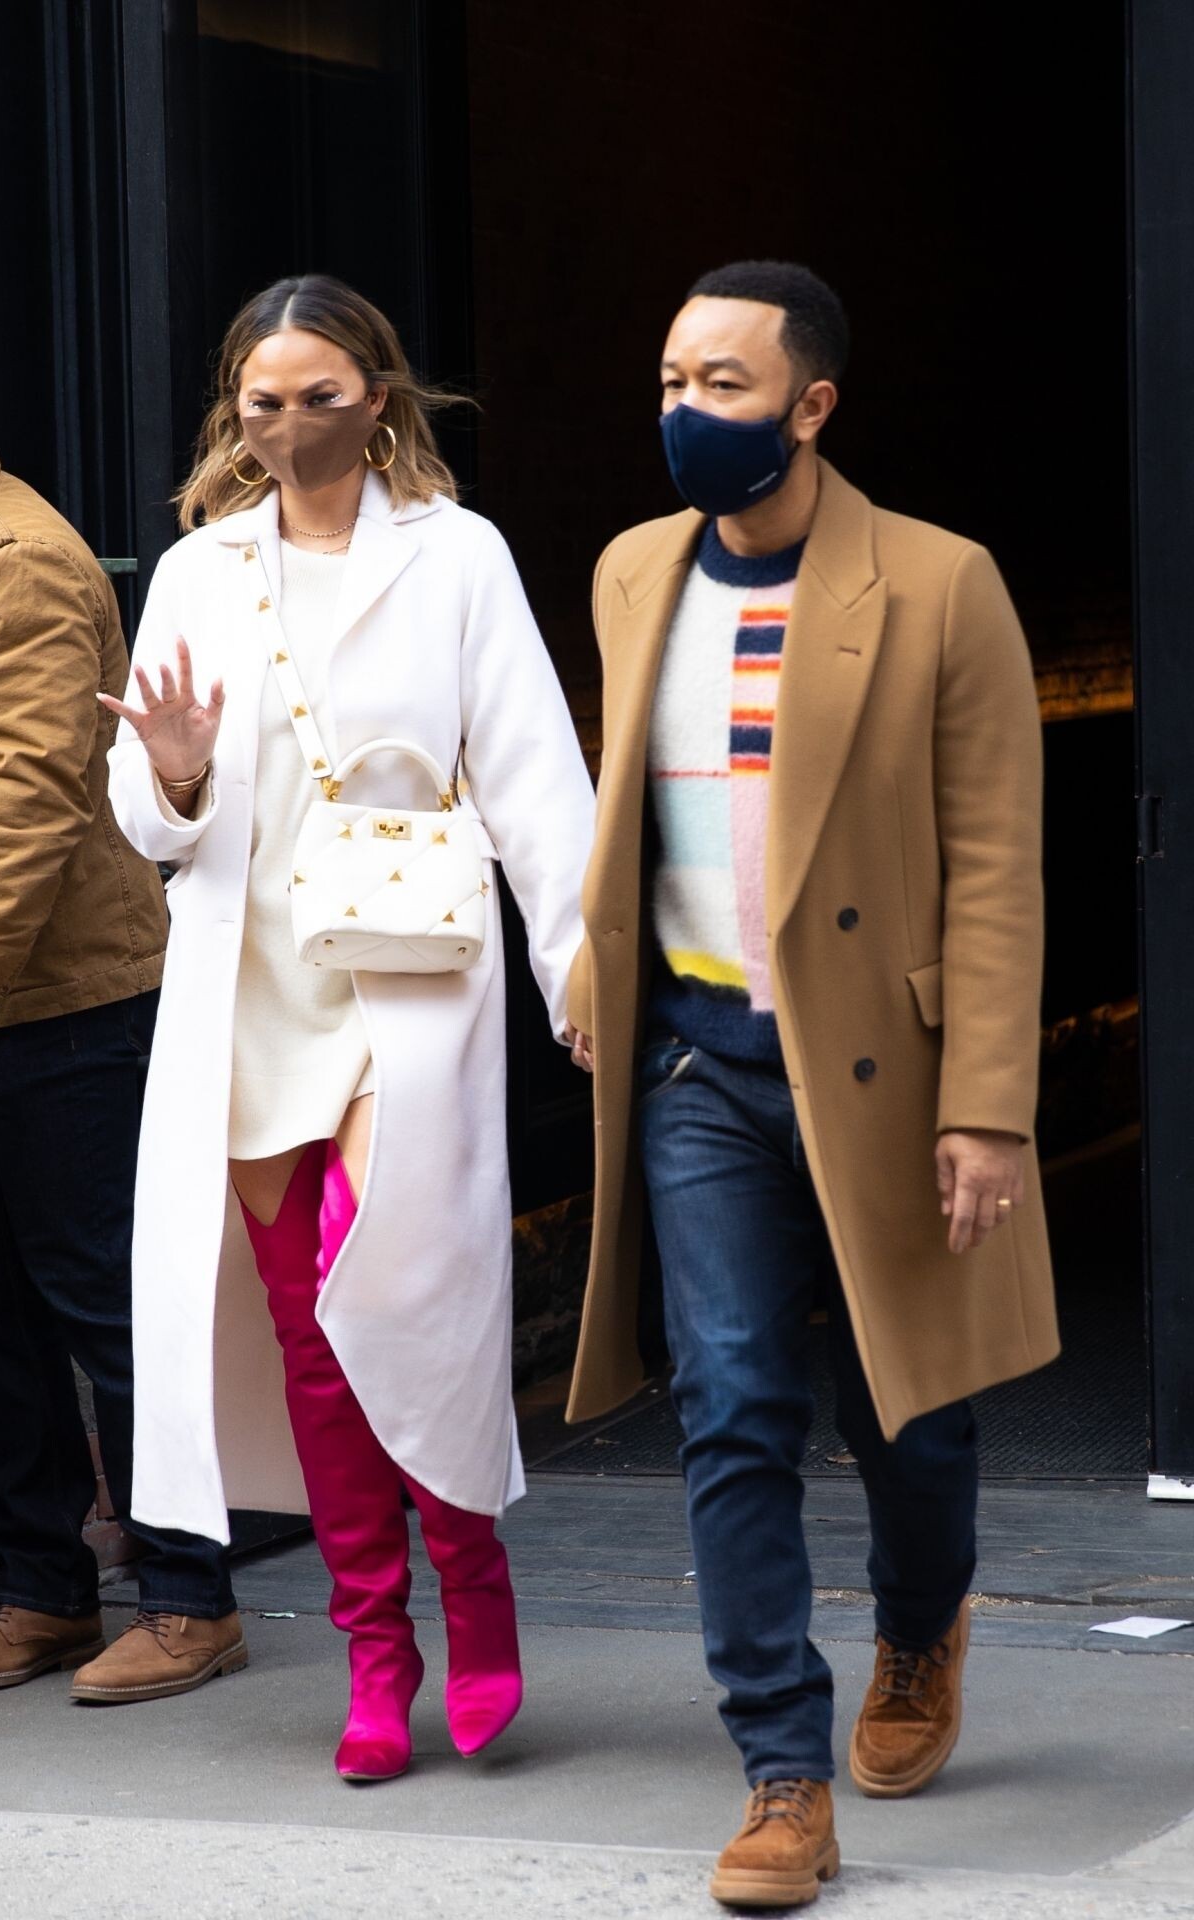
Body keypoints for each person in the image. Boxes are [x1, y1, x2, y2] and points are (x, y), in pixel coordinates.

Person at [563, 260, 1058, 1908]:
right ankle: (781, 1771)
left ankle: (920, 1626)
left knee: (908, 1410)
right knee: (730, 1404)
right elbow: (633, 809)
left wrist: (986, 1103)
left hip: (885, 1072)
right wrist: (596, 968)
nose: (685, 411)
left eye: (722, 385)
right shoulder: (634, 571)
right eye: (671, 380)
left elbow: (996, 864)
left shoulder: (938, 582)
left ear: (811, 404)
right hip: (702, 1061)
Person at [102, 273, 594, 1781]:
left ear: (377, 397)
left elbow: (535, 774)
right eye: (264, 403)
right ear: (234, 413)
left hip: (405, 980)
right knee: (310, 1342)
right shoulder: (200, 571)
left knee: (398, 1297)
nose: (291, 424)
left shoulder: (457, 555)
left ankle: (476, 1592)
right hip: (252, 986)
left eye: (321, 397)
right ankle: (375, 1650)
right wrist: (176, 769)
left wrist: (578, 971)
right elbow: (148, 823)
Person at [0, 284, 238, 1704]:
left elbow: (35, 808)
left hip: (56, 1003)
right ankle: (40, 1590)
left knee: (110, 1303)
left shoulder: (16, 561)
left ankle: (189, 1596)